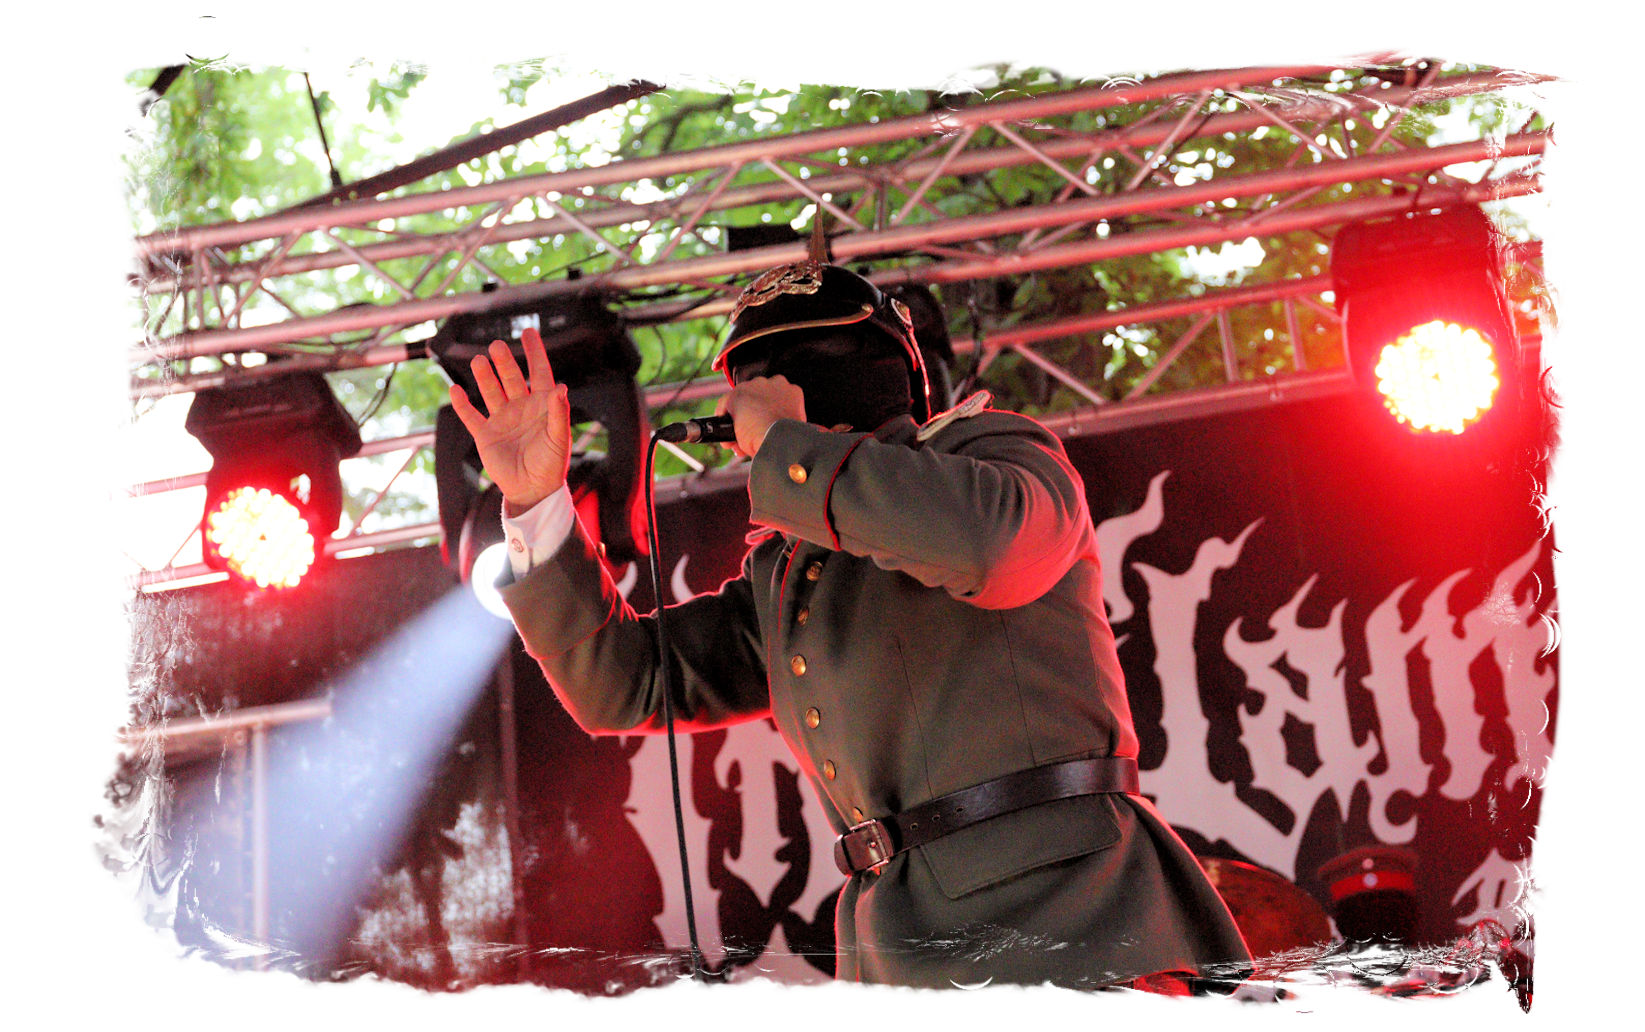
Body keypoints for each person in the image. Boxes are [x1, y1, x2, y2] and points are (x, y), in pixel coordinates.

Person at [448, 260, 1252, 990]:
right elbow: (624, 685)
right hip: (900, 945)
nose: (741, 404)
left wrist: (786, 446)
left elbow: (992, 545)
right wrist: (537, 502)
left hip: (1067, 918)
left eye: (772, 377)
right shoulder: (787, 573)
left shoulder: (988, 452)